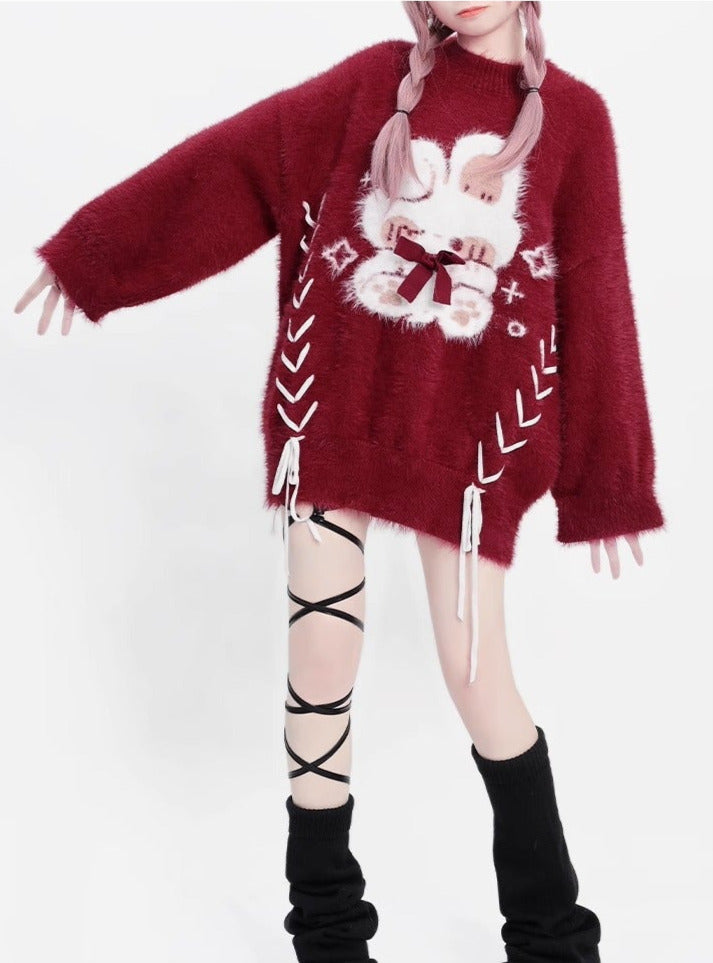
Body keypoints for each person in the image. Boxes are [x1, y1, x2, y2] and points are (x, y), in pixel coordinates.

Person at [14, 2, 666, 960]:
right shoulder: (369, 84)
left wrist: (610, 477)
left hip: (472, 453)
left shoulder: (576, 118)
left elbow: (597, 289)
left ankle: (549, 932)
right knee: (318, 659)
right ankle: (326, 929)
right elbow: (235, 166)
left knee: (477, 674)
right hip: (337, 422)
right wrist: (94, 255)